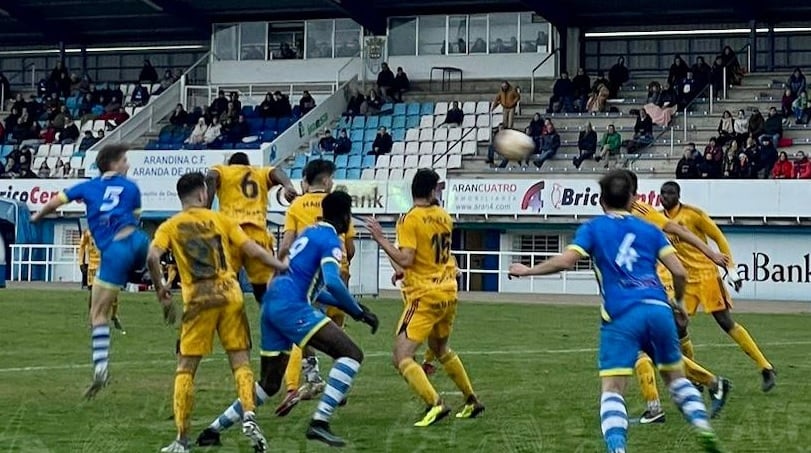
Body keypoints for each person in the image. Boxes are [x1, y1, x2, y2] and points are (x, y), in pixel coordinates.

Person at [507, 170, 722, 453]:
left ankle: (618, 448)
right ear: (633, 199)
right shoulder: (650, 230)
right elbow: (679, 272)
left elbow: (566, 261)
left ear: (601, 200)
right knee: (676, 379)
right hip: (658, 308)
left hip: (621, 314)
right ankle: (702, 425)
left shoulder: (594, 228)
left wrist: (528, 270)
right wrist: (679, 303)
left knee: (613, 389)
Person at [196, 191, 379, 448]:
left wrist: (354, 307)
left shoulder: (308, 233)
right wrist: (358, 313)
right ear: (345, 218)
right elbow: (333, 282)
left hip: (271, 305)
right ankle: (320, 422)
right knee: (351, 354)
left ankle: (212, 430)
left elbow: (314, 289)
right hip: (292, 308)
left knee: (270, 384)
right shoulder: (330, 240)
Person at [146, 172, 289, 453]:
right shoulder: (222, 220)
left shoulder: (170, 226)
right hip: (230, 294)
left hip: (199, 299)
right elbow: (253, 250)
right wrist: (281, 266)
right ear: (203, 194)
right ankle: (249, 414)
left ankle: (181, 439)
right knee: (240, 362)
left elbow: (152, 256)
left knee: (186, 368)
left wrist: (161, 287)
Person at [365, 169, 485, 427]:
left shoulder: (410, 219)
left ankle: (436, 403)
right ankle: (471, 399)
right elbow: (426, 256)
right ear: (431, 191)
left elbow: (407, 258)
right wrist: (404, 271)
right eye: (437, 188)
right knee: (441, 349)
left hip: (424, 296)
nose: (439, 192)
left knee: (401, 356)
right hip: (448, 292)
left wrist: (380, 239)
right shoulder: (443, 216)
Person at [31, 144, 149, 398]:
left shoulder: (87, 187)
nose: (128, 165)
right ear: (114, 164)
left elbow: (55, 202)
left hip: (114, 253)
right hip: (137, 245)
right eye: (125, 160)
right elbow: (135, 218)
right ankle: (148, 277)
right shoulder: (132, 188)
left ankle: (101, 367)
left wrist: (37, 216)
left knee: (97, 314)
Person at [622, 170, 731, 424]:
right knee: (649, 350)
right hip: (634, 291)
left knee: (644, 349)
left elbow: (678, 230)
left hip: (646, 291)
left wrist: (711, 254)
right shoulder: (615, 217)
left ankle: (707, 385)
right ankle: (664, 404)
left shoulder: (642, 211)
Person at [659, 182, 777, 391]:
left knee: (725, 322)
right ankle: (695, 378)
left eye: (670, 193)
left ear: (678, 195)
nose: (665, 197)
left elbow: (718, 236)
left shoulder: (693, 214)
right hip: (686, 280)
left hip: (707, 276)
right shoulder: (659, 219)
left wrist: (731, 268)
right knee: (678, 326)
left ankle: (766, 367)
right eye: (663, 193)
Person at [271, 160, 357, 416]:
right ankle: (336, 387)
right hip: (339, 276)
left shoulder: (297, 206)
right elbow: (350, 248)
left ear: (306, 182)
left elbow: (287, 243)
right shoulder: (337, 205)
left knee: (300, 332)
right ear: (326, 180)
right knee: (337, 337)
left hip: (310, 278)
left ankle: (295, 386)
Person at [205, 152, 297, 305]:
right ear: (248, 165)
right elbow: (276, 171)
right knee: (264, 290)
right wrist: (288, 186)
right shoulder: (259, 173)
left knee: (224, 285)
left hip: (230, 235)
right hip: (256, 236)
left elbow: (211, 177)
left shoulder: (223, 171)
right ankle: (271, 316)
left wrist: (206, 208)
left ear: (230, 164)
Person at [79, 229, 124, 333]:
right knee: (93, 295)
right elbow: (82, 246)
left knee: (113, 295)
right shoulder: (88, 232)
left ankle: (113, 316)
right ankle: (92, 321)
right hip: (93, 267)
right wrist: (81, 263)